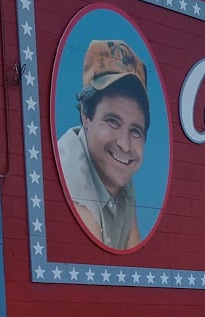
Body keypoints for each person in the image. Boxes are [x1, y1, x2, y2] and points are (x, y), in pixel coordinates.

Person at [57, 40, 151, 251]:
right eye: (112, 121)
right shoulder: (71, 171)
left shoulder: (116, 170)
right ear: (85, 115)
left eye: (135, 130)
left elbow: (133, 258)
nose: (125, 145)